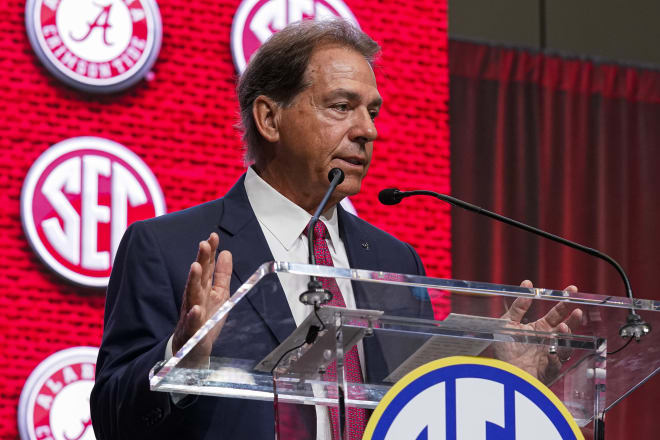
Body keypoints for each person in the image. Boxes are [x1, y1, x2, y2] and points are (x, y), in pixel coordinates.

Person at [90, 19, 581, 440]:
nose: (368, 130)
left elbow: (413, 416)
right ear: (269, 118)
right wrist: (183, 358)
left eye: (373, 111)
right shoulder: (168, 247)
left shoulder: (395, 262)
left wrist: (504, 381)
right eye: (342, 107)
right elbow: (113, 420)